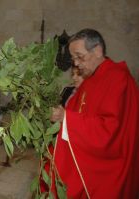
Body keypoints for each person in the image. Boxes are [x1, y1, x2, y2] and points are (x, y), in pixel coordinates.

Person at [50, 29, 139, 198]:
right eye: (73, 58)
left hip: (109, 168)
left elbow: (111, 130)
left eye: (79, 56)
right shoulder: (91, 78)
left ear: (97, 50)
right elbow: (74, 112)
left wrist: (66, 118)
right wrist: (60, 116)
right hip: (85, 155)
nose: (75, 63)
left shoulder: (118, 78)